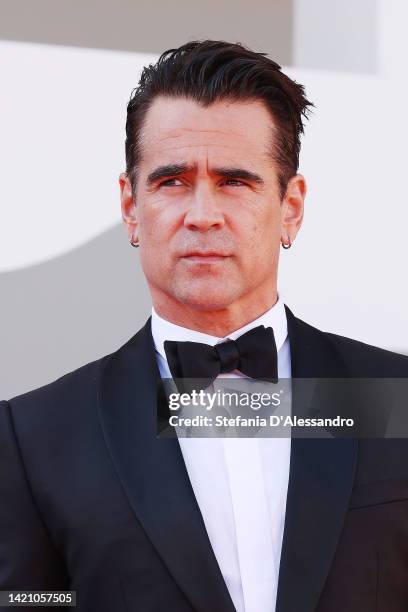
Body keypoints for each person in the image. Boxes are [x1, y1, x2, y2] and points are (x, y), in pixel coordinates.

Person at [1, 40, 408, 612]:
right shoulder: (34, 437)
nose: (202, 214)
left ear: (290, 206)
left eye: (235, 182)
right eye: (171, 181)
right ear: (130, 206)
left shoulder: (397, 398)